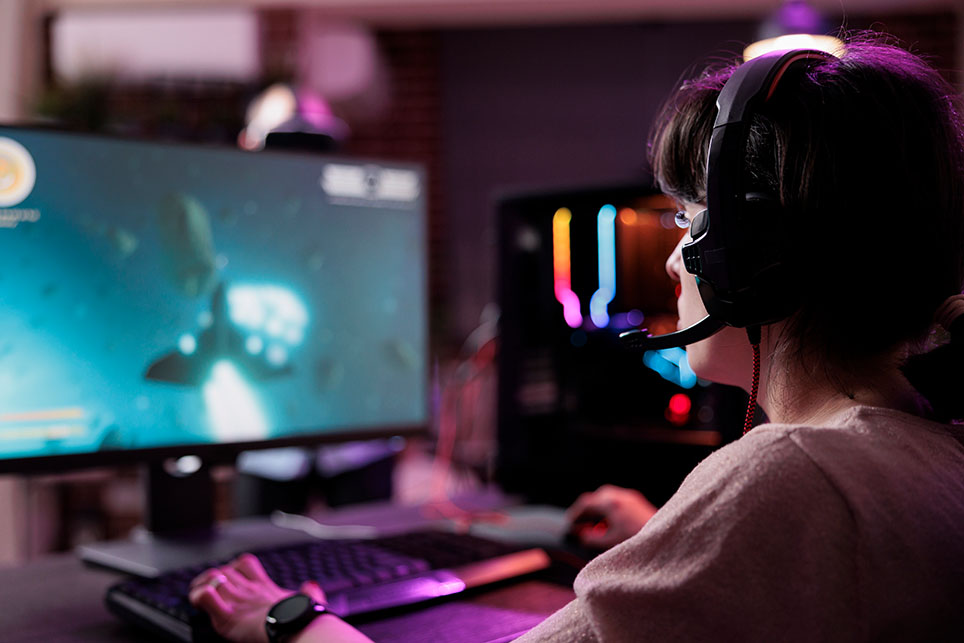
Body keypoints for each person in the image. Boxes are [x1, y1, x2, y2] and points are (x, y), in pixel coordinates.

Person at [188, 36, 964, 642]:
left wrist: (285, 616)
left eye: (691, 219)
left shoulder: (783, 475)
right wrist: (672, 540)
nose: (672, 256)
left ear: (754, 258)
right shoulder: (932, 451)